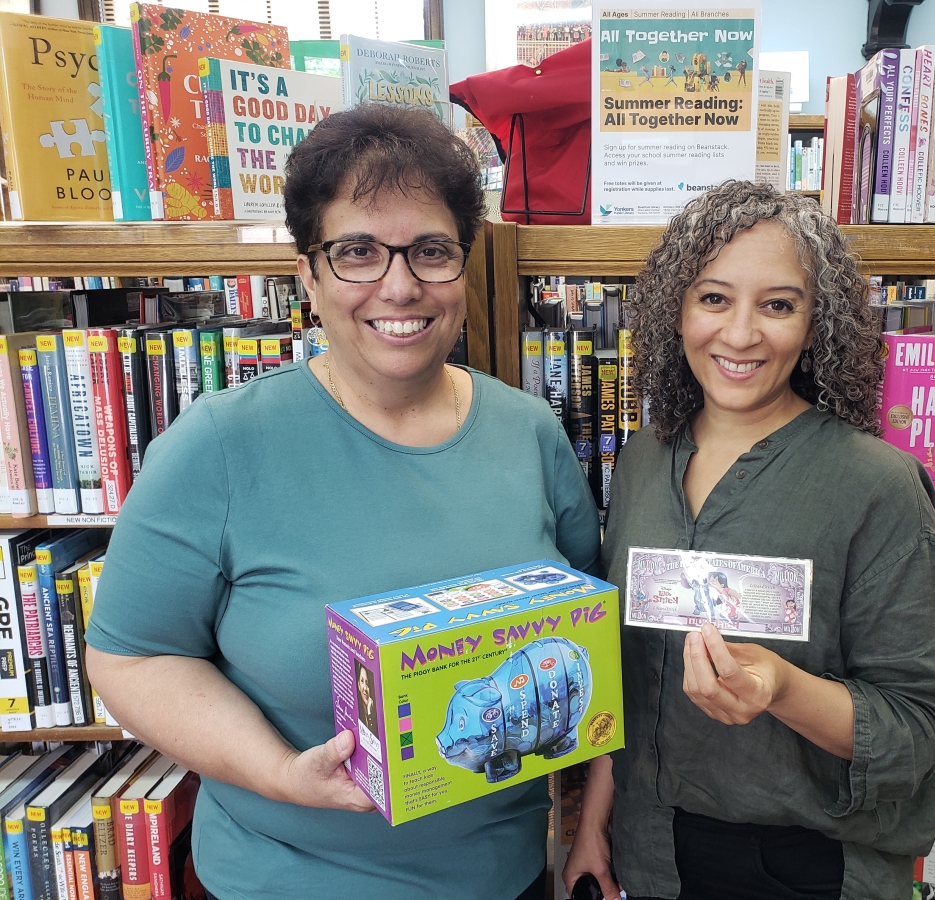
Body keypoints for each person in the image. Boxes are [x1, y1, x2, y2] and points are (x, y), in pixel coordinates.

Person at [85, 105, 600, 900]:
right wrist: (278, 772)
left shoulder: (529, 431)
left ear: (464, 266)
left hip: (507, 877)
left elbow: (582, 626)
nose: (399, 284)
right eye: (357, 251)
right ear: (308, 275)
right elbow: (130, 656)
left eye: (431, 251)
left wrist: (592, 815)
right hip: (288, 881)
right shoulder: (217, 448)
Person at [563, 181, 935, 900]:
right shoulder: (647, 458)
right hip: (648, 849)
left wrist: (780, 686)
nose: (740, 334)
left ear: (816, 325)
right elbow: (627, 671)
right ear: (675, 312)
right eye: (714, 298)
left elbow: (918, 729)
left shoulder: (878, 487)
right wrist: (596, 821)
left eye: (778, 305)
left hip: (800, 863)